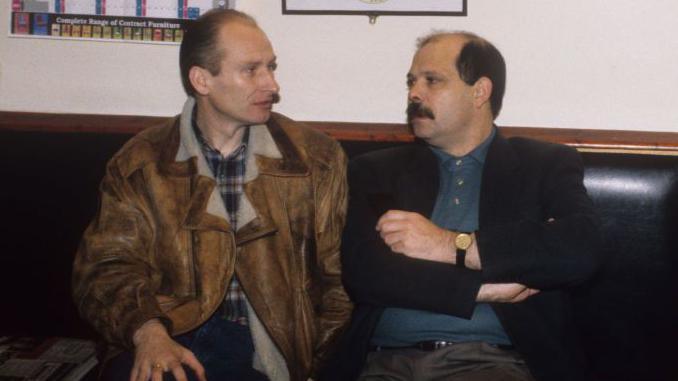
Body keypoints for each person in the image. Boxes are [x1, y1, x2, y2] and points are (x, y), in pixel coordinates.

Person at [72, 9, 351, 381]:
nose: (272, 85)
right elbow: (105, 268)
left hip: (267, 350)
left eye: (271, 67)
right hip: (170, 334)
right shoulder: (141, 162)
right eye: (251, 70)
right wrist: (148, 331)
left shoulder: (316, 160)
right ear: (202, 80)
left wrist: (315, 364)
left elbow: (341, 281)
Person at [321, 31, 601, 381]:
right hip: (382, 364)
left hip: (491, 363)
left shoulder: (543, 165)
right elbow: (367, 274)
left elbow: (579, 249)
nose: (414, 93)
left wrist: (450, 245)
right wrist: (482, 289)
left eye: (432, 80)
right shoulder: (376, 170)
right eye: (411, 81)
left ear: (480, 91)